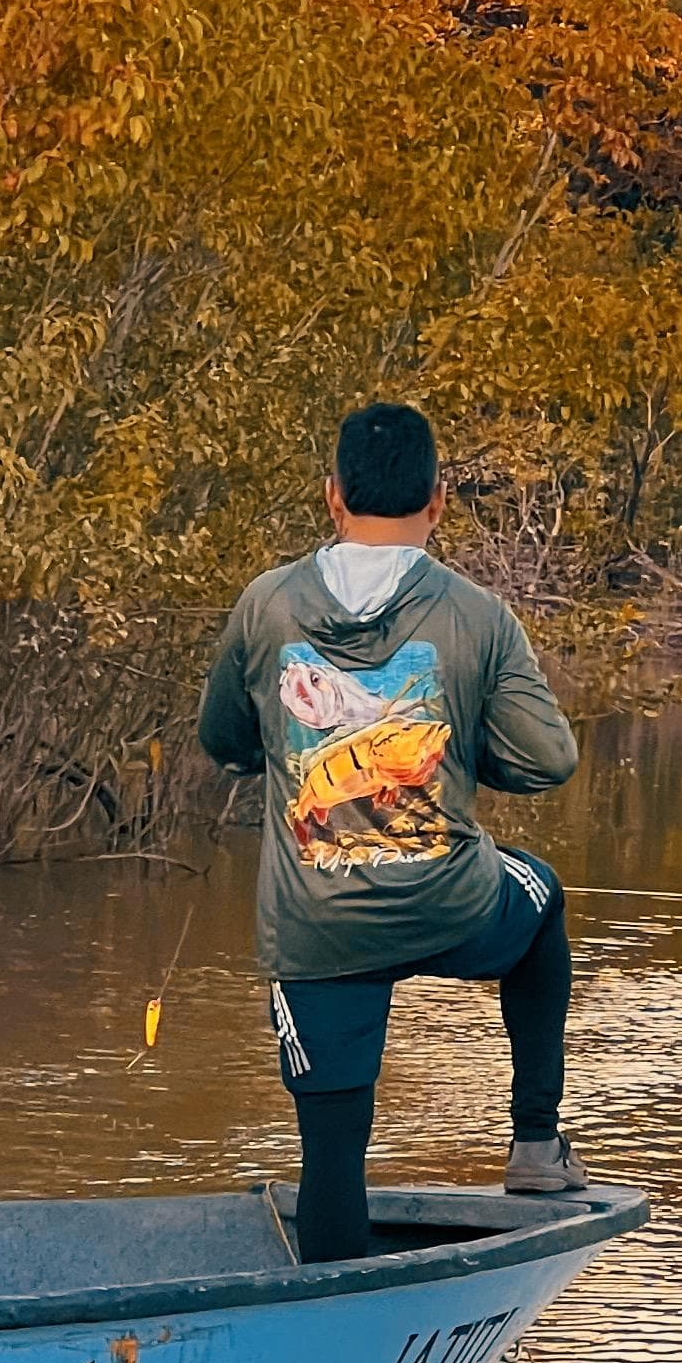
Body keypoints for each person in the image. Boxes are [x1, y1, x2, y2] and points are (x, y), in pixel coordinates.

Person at [198, 400, 587, 1263]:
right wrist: (458, 755)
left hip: (316, 928)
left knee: (331, 1162)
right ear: (438, 500)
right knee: (542, 899)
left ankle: (333, 1315)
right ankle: (535, 1145)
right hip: (450, 903)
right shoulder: (477, 615)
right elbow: (550, 758)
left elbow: (223, 742)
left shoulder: (266, 605)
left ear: (333, 496)